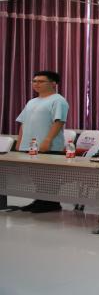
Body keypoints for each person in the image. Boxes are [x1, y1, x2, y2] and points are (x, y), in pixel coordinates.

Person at [14, 71, 69, 213]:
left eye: (41, 81)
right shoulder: (32, 101)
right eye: (34, 81)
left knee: (48, 175)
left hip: (48, 145)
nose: (36, 84)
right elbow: (23, 123)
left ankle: (51, 203)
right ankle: (40, 200)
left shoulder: (58, 100)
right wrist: (19, 142)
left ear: (53, 83)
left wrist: (48, 140)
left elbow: (59, 121)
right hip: (30, 145)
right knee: (36, 175)